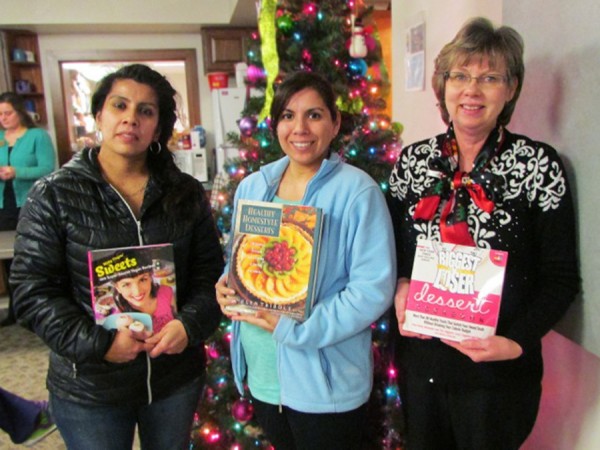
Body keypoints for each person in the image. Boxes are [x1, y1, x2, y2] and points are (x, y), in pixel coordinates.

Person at [387, 17, 579, 450]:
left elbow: (561, 278)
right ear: (443, 85)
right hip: (422, 369)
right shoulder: (414, 162)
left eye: (489, 77)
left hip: (498, 377)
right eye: (460, 76)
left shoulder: (537, 165)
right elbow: (394, 251)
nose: (472, 90)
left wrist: (515, 342)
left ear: (510, 89)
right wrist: (400, 284)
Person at [10, 64, 224, 450]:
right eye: (119, 105)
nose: (131, 118)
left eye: (145, 110)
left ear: (157, 128)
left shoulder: (186, 192)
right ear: (99, 116)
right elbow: (31, 293)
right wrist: (99, 343)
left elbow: (212, 275)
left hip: (173, 380)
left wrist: (189, 326)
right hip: (90, 387)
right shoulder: (53, 195)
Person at [215, 71, 396, 450]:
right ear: (275, 124)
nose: (300, 128)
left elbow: (371, 290)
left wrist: (294, 329)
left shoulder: (357, 191)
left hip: (325, 384)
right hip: (264, 376)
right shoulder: (253, 187)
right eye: (287, 116)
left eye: (314, 115)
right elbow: (245, 259)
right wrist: (226, 284)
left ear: (335, 123)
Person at [0, 92, 56, 326]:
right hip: (4, 205)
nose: (3, 118)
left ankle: (33, 309)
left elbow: (47, 168)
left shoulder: (37, 136)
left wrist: (17, 172)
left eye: (8, 112)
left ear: (20, 112)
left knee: (30, 256)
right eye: (0, 114)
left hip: (29, 203)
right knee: (7, 259)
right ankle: (14, 309)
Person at [110, 251, 176, 333]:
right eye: (126, 284)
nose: (137, 292)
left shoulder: (166, 292)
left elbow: (178, 318)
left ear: (150, 276)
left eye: (142, 279)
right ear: (117, 288)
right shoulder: (119, 317)